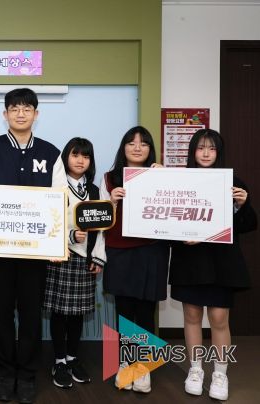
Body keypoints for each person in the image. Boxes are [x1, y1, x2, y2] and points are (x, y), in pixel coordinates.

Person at [0, 88, 68, 403]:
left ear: (36, 114)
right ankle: (6, 374)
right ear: (5, 114)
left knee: (30, 315)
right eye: (14, 108)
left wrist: (56, 244)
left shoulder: (51, 153)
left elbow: (60, 200)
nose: (20, 113)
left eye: (26, 108)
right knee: (2, 314)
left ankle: (27, 375)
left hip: (36, 253)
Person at [169, 129, 257, 401]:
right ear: (192, 151)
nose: (206, 153)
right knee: (192, 317)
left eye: (211, 148)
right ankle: (195, 370)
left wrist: (242, 205)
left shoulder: (232, 183)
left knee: (219, 319)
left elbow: (249, 224)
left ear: (219, 152)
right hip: (190, 261)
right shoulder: (179, 181)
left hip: (222, 264)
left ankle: (220, 373)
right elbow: (167, 220)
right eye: (200, 148)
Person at [100, 126, 169, 394]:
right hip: (120, 251)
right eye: (131, 143)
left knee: (146, 310)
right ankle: (125, 362)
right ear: (123, 148)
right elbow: (100, 221)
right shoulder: (109, 179)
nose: (137, 148)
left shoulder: (161, 176)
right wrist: (112, 202)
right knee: (124, 310)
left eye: (143, 143)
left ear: (150, 149)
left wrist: (165, 179)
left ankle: (143, 367)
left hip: (152, 250)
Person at [44, 137, 105, 389]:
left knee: (78, 313)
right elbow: (46, 220)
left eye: (86, 156)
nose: (80, 160)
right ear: (66, 158)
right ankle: (59, 361)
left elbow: (102, 228)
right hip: (61, 257)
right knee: (59, 313)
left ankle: (72, 358)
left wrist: (98, 257)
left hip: (85, 260)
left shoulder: (95, 191)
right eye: (75, 154)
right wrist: (69, 236)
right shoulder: (55, 187)